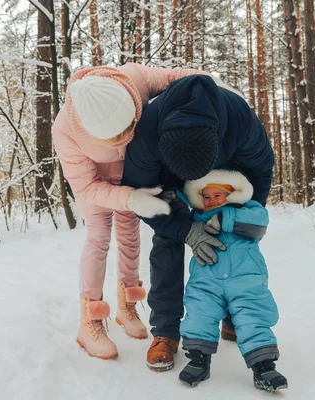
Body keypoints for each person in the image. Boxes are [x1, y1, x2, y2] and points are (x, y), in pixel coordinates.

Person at [53, 63, 206, 360]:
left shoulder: (134, 79)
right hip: (96, 184)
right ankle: (90, 320)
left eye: (128, 128)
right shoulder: (65, 130)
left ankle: (128, 305)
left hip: (130, 175)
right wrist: (130, 198)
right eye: (113, 137)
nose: (123, 139)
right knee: (99, 239)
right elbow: (86, 188)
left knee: (130, 236)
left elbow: (177, 78)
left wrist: (213, 86)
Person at [121, 74, 275, 371]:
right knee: (167, 242)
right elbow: (142, 195)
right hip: (169, 185)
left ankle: (234, 316)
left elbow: (261, 170)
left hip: (224, 179)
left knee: (236, 242)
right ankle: (166, 331)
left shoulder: (239, 119)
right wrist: (187, 228)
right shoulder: (147, 133)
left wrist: (244, 219)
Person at [174, 169, 287, 391]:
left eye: (217, 195)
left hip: (245, 279)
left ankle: (264, 367)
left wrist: (226, 218)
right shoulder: (197, 217)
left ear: (232, 194)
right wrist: (174, 197)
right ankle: (198, 360)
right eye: (206, 196)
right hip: (206, 279)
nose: (210, 200)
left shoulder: (248, 210)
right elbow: (178, 207)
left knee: (252, 316)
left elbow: (260, 222)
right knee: (199, 313)